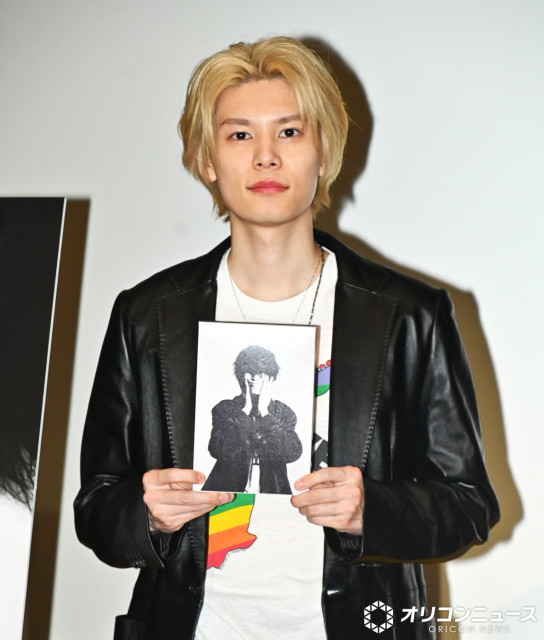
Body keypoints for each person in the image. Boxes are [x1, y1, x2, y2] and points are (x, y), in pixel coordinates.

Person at [74, 37, 499, 640]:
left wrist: (370, 511)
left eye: (291, 132)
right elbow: (95, 505)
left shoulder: (409, 315)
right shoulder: (146, 317)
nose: (266, 157)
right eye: (239, 135)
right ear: (207, 160)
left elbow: (469, 505)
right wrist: (146, 515)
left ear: (323, 153)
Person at [202, 345, 302, 494]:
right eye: (249, 372)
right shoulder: (225, 408)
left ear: (271, 377)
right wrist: (245, 410)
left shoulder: (283, 412)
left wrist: (265, 413)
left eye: (260, 373)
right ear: (241, 375)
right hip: (226, 490)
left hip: (272, 492)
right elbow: (217, 450)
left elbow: (292, 453)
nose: (255, 378)